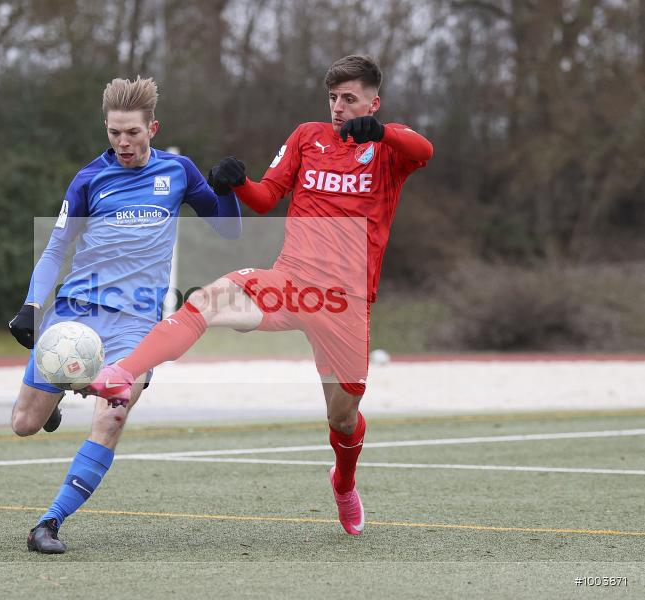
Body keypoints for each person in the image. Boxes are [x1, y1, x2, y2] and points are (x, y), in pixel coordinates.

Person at [84, 55, 434, 536]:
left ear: (373, 103)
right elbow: (267, 197)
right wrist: (237, 183)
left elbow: (424, 149)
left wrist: (382, 132)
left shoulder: (389, 148)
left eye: (349, 99)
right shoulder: (307, 137)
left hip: (344, 303)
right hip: (290, 283)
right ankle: (123, 373)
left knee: (343, 419)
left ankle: (343, 482)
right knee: (207, 300)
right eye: (333, 98)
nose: (338, 107)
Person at [7, 76, 241, 554]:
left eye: (132, 132)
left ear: (152, 128)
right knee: (24, 423)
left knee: (112, 417)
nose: (123, 142)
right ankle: (56, 400)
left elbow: (229, 229)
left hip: (137, 324)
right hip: (76, 311)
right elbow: (56, 248)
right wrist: (32, 305)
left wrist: (229, 189)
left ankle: (49, 523)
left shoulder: (178, 171)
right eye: (114, 133)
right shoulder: (89, 178)